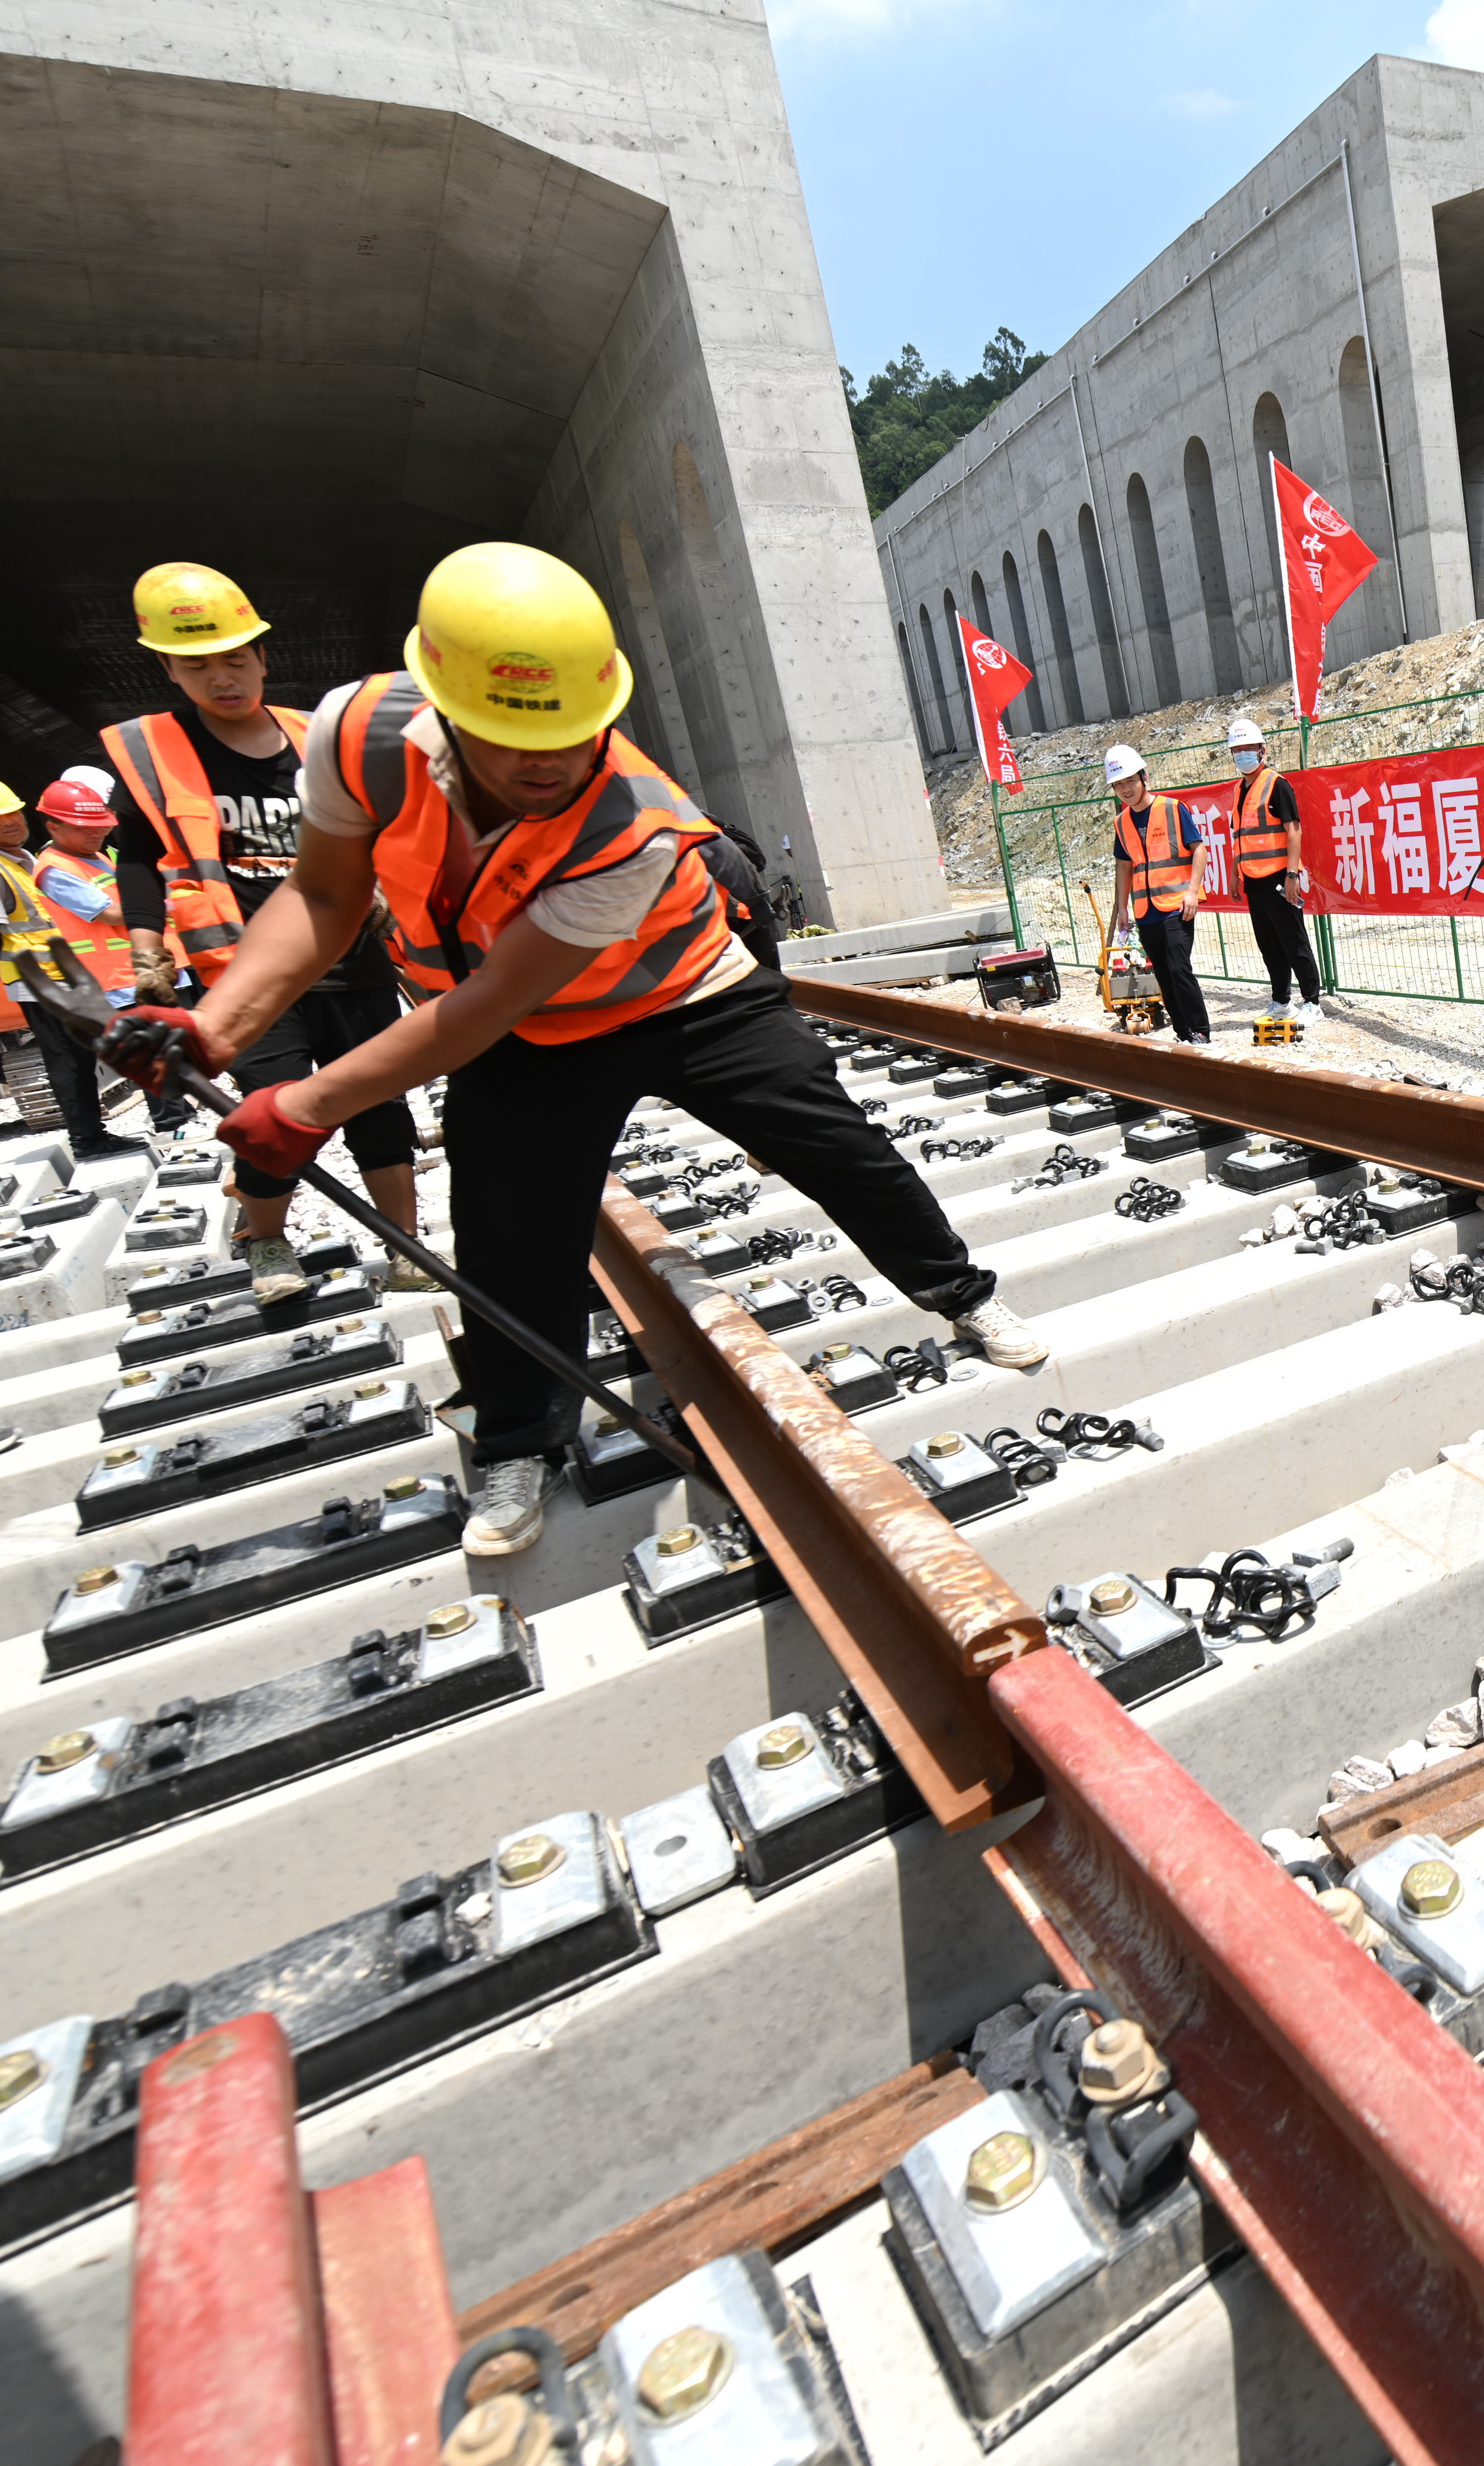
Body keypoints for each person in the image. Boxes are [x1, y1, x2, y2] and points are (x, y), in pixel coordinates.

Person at [102, 542, 1051, 1560]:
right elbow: (326, 897)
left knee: (837, 1146)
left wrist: (306, 1105)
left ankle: (960, 1293)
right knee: (508, 1232)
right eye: (512, 739)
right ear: (446, 705)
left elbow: (482, 1004)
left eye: (571, 732)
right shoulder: (357, 734)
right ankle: (519, 1438)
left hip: (686, 994)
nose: (547, 763)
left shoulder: (630, 825)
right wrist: (219, 1025)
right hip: (530, 1040)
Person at [101, 562, 430, 1302]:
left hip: (357, 962)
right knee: (267, 1114)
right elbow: (141, 859)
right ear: (168, 670)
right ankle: (270, 1243)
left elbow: (386, 827)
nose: (224, 678)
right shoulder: (157, 753)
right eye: (199, 666)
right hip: (249, 974)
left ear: (263, 656)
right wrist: (147, 948)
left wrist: (382, 888)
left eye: (236, 659)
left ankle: (407, 1244)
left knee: (381, 1105)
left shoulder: (317, 735)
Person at [0, 780, 154, 1161]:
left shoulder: (24, 860)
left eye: (13, 812)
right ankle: (87, 1141)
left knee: (82, 1057)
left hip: (63, 976)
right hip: (39, 979)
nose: (10, 822)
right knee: (68, 1058)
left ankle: (93, 1136)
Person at [33, 777, 194, 1137]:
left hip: (146, 966)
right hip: (117, 977)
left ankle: (182, 1115)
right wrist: (172, 905)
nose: (97, 834)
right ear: (53, 827)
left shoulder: (101, 855)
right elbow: (108, 914)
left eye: (101, 826)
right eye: (84, 828)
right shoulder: (55, 869)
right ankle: (172, 1126)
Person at [1107, 744, 1212, 1044]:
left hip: (1178, 905)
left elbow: (1200, 850)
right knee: (1163, 974)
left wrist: (1193, 892)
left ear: (1144, 778)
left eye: (1130, 781)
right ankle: (1183, 1033)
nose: (1125, 789)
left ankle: (1201, 1032)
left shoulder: (1171, 808)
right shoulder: (1122, 822)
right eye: (1118, 784)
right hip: (1145, 910)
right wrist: (1123, 907)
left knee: (1179, 968)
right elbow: (1124, 867)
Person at [1226, 716, 1323, 1028]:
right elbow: (1238, 836)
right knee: (1269, 944)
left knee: (1294, 940)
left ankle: (1312, 1002)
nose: (1242, 755)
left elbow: (1294, 831)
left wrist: (1292, 876)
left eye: (1248, 749)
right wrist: (1234, 873)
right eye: (1237, 750)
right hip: (1253, 879)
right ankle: (1282, 1001)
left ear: (1262, 751)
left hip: (1280, 878)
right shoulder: (1240, 790)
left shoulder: (1277, 784)